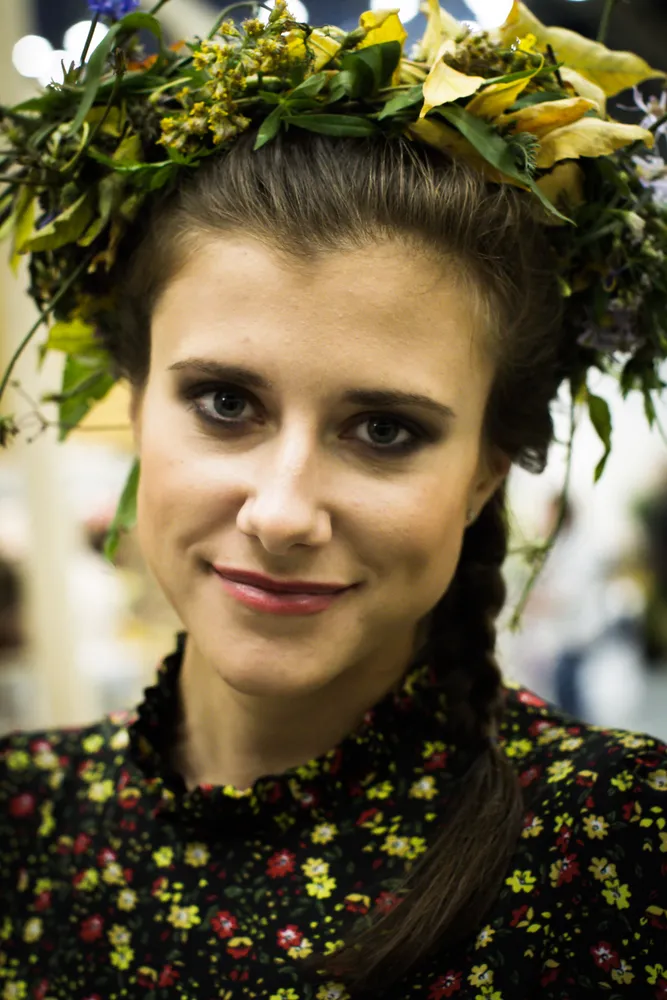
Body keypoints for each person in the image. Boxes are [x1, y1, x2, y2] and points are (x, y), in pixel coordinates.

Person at [0, 2, 666, 998]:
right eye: (225, 404)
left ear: (485, 470)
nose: (279, 514)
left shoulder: (614, 842)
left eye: (384, 430)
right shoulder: (21, 818)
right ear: (136, 408)